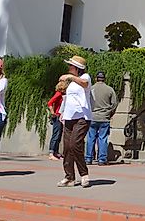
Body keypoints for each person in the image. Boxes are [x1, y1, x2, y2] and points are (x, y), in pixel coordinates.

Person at [56, 55, 92, 188]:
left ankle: (84, 174)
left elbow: (84, 84)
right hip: (69, 117)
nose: (69, 68)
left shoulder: (85, 77)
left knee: (74, 145)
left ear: (77, 68)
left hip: (82, 117)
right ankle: (69, 177)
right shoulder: (71, 83)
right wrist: (62, 112)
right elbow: (67, 98)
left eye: (71, 66)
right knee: (66, 148)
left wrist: (69, 77)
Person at [85, 71, 117, 166]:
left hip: (93, 116)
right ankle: (102, 159)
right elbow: (114, 104)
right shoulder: (110, 90)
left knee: (90, 138)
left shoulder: (91, 89)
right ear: (104, 79)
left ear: (96, 78)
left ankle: (88, 158)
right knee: (102, 138)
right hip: (104, 117)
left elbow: (86, 102)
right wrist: (109, 113)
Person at [46, 76, 70, 160]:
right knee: (56, 134)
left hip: (62, 115)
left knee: (59, 134)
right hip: (57, 115)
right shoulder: (58, 94)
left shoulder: (63, 94)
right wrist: (53, 113)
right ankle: (51, 152)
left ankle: (56, 152)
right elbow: (49, 103)